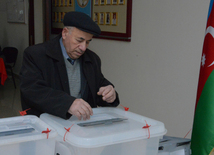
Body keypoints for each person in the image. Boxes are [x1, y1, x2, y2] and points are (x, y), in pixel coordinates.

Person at [20, 11, 120, 120]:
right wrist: (68, 103)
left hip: (82, 126)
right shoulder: (35, 55)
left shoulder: (92, 59)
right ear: (65, 33)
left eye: (87, 42)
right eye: (79, 40)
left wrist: (110, 94)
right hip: (48, 124)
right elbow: (32, 90)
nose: (83, 48)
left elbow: (98, 85)